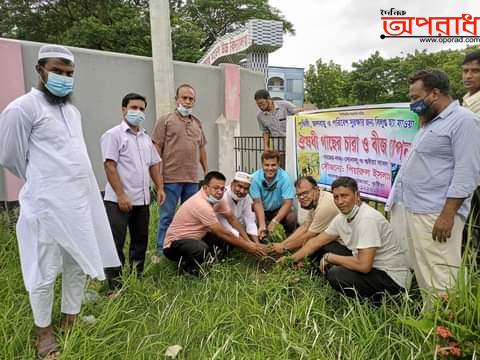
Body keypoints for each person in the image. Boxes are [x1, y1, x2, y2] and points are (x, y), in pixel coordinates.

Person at [0, 45, 120, 358]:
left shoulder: (72, 111)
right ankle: (43, 332)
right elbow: (11, 157)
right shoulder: (22, 108)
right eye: (57, 71)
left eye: (69, 74)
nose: (64, 79)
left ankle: (71, 319)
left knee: (77, 263)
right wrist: (44, 182)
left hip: (80, 203)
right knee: (42, 267)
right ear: (40, 70)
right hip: (45, 206)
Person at [387, 69, 480, 305]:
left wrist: (448, 215)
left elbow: (466, 173)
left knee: (441, 275)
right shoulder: (430, 123)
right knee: (423, 271)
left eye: (415, 97)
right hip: (414, 208)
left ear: (435, 94)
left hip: (436, 213)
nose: (412, 103)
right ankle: (432, 324)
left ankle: (447, 333)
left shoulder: (465, 121)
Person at [284, 177, 411, 304]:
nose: (340, 201)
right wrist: (288, 261)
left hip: (392, 280)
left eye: (345, 196)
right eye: (336, 197)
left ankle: (377, 303)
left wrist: (330, 257)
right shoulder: (342, 218)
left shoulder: (368, 219)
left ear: (357, 195)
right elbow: (315, 242)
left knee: (336, 274)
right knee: (323, 246)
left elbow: (364, 265)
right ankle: (324, 279)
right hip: (373, 267)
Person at [101, 93, 165, 291]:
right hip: (118, 201)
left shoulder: (145, 138)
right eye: (134, 107)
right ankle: (115, 286)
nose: (138, 112)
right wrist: (121, 195)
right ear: (123, 109)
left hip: (142, 201)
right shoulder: (113, 135)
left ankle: (136, 278)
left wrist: (159, 186)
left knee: (140, 241)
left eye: (142, 109)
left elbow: (154, 164)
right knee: (116, 243)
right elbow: (110, 166)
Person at [163, 171, 268, 275]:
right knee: (201, 247)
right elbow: (222, 232)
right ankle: (189, 271)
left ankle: (210, 263)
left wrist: (250, 243)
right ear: (205, 188)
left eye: (222, 189)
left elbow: (232, 219)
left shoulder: (218, 198)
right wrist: (248, 247)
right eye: (215, 188)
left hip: (196, 237)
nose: (219, 192)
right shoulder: (201, 204)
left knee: (226, 241)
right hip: (174, 245)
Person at [152, 84, 208, 257]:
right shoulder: (166, 120)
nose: (187, 101)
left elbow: (202, 149)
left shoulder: (197, 123)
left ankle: (185, 249)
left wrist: (206, 173)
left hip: (192, 180)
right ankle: (161, 250)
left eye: (191, 99)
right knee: (167, 217)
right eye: (184, 98)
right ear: (176, 99)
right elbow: (156, 149)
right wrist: (158, 180)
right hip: (170, 179)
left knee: (190, 218)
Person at [271, 176, 338, 255]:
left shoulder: (324, 206)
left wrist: (284, 247)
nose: (302, 197)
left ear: (316, 189)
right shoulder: (316, 199)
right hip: (334, 239)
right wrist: (283, 244)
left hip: (346, 247)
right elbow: (305, 226)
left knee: (314, 243)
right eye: (299, 195)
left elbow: (309, 235)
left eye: (305, 193)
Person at [250, 150, 297, 241]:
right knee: (252, 219)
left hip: (278, 209)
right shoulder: (254, 178)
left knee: (292, 217)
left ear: (278, 164)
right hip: (262, 209)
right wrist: (262, 224)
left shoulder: (285, 177)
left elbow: (288, 203)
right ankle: (258, 239)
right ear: (262, 165)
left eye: (273, 165)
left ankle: (288, 240)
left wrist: (275, 221)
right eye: (266, 165)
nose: (270, 168)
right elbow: (257, 203)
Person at [217, 171, 259, 243]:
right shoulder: (222, 196)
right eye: (239, 186)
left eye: (246, 188)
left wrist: (257, 243)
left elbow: (250, 221)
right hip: (222, 232)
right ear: (232, 183)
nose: (242, 191)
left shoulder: (247, 198)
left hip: (239, 230)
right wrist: (248, 243)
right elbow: (226, 226)